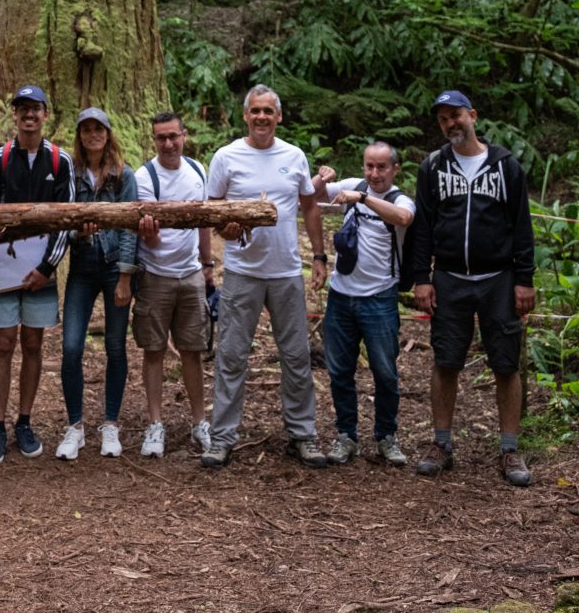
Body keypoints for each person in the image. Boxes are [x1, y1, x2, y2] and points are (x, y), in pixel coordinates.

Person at [201, 84, 329, 470]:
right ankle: (222, 438)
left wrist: (320, 256)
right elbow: (213, 210)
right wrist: (228, 228)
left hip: (287, 271)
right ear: (245, 115)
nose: (261, 117)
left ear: (279, 117)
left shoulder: (294, 156)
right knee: (232, 355)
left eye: (268, 111)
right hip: (243, 272)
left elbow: (309, 206)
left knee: (295, 356)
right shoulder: (227, 157)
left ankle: (303, 435)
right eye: (255, 111)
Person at [412, 89, 536, 487]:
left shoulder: (505, 166)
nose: (451, 123)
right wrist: (421, 277)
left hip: (498, 279)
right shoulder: (433, 167)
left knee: (505, 363)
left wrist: (524, 279)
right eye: (443, 118)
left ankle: (510, 449)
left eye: (456, 115)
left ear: (473, 116)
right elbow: (422, 229)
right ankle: (442, 444)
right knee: (446, 361)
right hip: (450, 278)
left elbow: (521, 225)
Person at [0, 83, 75, 464]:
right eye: (22, 109)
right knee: (3, 344)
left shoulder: (59, 162)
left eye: (36, 109)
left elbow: (66, 219)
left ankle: (25, 420)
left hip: (42, 272)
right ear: (14, 115)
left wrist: (48, 268)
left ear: (46, 114)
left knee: (33, 345)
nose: (29, 115)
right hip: (5, 269)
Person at [312, 142, 415, 465]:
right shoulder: (352, 186)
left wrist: (365, 199)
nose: (374, 173)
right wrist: (321, 178)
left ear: (395, 168)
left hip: (380, 298)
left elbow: (404, 218)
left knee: (385, 372)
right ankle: (346, 436)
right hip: (341, 296)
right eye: (369, 166)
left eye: (381, 167)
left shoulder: (398, 198)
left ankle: (386, 436)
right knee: (340, 371)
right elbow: (309, 196)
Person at [55, 107, 138, 461]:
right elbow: (60, 218)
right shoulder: (70, 175)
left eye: (98, 128)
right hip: (81, 269)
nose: (93, 134)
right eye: (86, 129)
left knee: (116, 347)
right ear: (79, 135)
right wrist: (77, 230)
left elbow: (132, 225)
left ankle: (111, 424)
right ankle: (75, 426)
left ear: (108, 133)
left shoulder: (123, 175)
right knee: (72, 346)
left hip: (112, 267)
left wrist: (124, 276)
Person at [133, 110, 214, 459]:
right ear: (154, 140)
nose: (168, 144)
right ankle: (155, 424)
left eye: (173, 136)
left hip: (191, 274)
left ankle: (200, 422)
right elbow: (148, 236)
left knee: (193, 350)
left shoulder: (198, 171)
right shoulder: (145, 176)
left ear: (184, 136)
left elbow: (203, 221)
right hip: (155, 275)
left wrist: (208, 265)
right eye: (161, 138)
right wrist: (149, 236)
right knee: (154, 350)